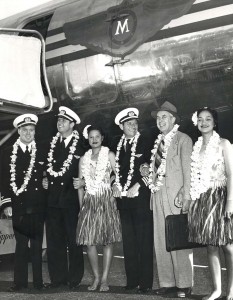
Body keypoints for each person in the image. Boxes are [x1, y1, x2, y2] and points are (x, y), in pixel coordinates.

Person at [148, 101, 193, 298]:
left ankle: (184, 284)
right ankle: (167, 282)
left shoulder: (184, 140)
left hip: (175, 197)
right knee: (161, 241)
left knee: (179, 241)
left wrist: (186, 195)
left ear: (174, 119)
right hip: (158, 196)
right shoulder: (157, 143)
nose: (160, 121)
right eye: (158, 118)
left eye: (164, 117)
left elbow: (189, 171)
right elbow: (156, 171)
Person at [188, 107, 233, 300]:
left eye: (208, 119)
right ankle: (216, 290)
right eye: (200, 119)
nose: (204, 122)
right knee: (211, 245)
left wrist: (230, 202)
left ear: (214, 123)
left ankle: (231, 289)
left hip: (222, 196)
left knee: (228, 246)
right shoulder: (196, 147)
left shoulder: (224, 144)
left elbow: (231, 174)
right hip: (203, 199)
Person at [0, 114, 47, 291]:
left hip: (37, 205)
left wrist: (46, 180)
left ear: (35, 131)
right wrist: (7, 204)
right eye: (25, 130)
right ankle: (19, 283)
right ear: (18, 131)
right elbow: (4, 181)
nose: (28, 133)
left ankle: (38, 283)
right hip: (18, 206)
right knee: (20, 245)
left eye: (31, 130)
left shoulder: (42, 150)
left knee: (36, 245)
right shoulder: (7, 153)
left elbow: (47, 174)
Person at [112, 108, 154, 294]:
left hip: (141, 200)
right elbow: (113, 171)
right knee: (128, 242)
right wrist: (113, 184)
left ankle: (145, 283)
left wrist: (139, 185)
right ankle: (132, 281)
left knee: (144, 242)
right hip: (123, 201)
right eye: (129, 124)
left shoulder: (145, 141)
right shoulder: (117, 144)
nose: (133, 126)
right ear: (121, 126)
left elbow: (152, 168)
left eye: (135, 123)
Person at [75, 125, 121, 292]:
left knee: (108, 240)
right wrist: (82, 207)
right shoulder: (83, 159)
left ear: (102, 137)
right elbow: (79, 185)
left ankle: (104, 279)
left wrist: (114, 188)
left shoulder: (109, 154)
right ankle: (95, 276)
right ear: (87, 139)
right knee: (89, 242)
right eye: (91, 137)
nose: (94, 140)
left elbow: (119, 175)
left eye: (97, 136)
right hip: (89, 202)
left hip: (106, 200)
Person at [44, 106, 84, 289]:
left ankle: (74, 278)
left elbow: (89, 172)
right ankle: (57, 278)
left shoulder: (81, 145)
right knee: (54, 241)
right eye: (58, 120)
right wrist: (44, 178)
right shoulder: (51, 144)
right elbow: (44, 169)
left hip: (71, 202)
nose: (59, 123)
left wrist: (83, 183)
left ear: (72, 124)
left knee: (73, 241)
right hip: (53, 201)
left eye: (63, 121)